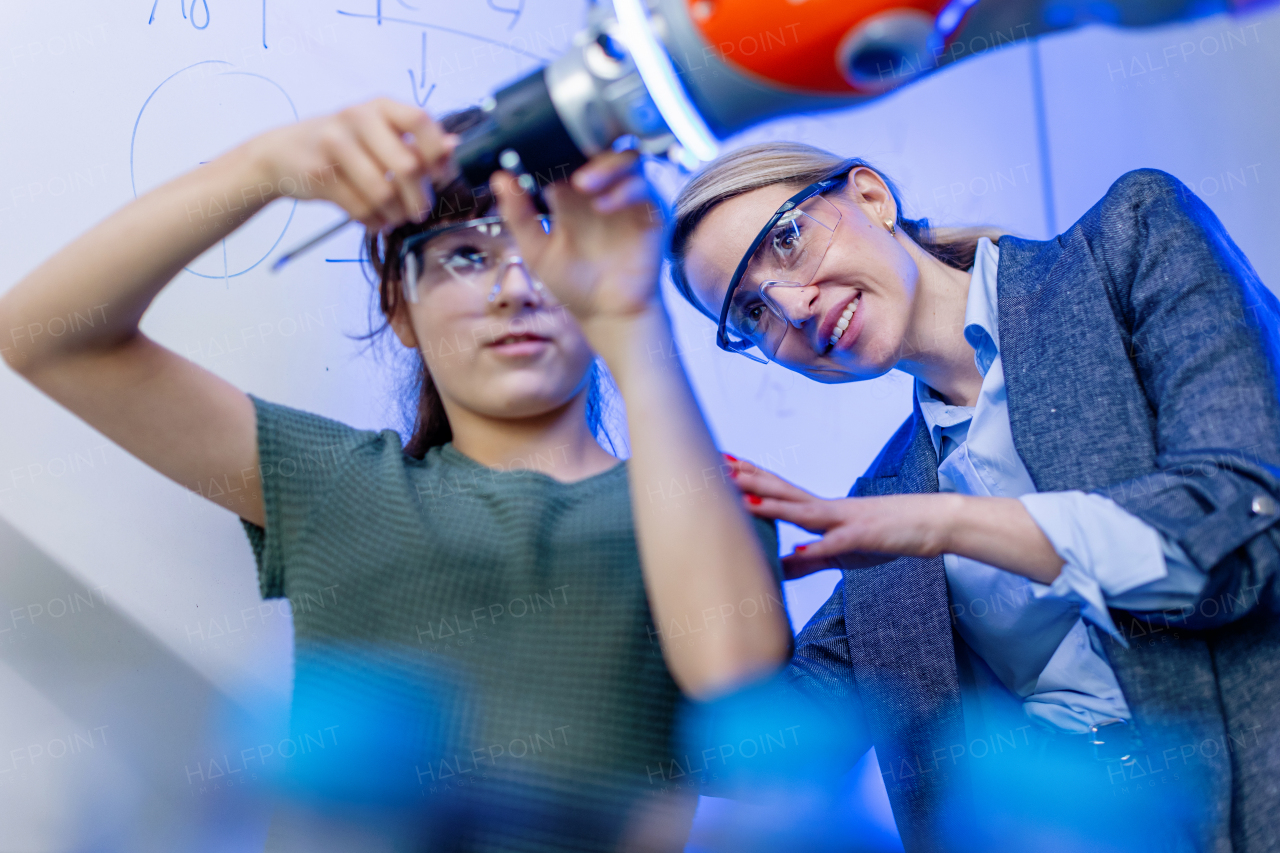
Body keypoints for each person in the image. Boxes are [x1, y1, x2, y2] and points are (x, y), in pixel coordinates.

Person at [0, 100, 792, 851]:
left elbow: (741, 691)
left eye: (549, 248)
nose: (515, 287)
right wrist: (264, 167)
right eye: (465, 257)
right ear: (400, 307)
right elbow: (46, 336)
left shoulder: (701, 506)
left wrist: (633, 316)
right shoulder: (336, 484)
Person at [666, 142, 1280, 852]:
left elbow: (1250, 515)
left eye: (788, 239)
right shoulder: (882, 502)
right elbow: (746, 750)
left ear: (871, 197)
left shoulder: (1127, 242)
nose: (792, 307)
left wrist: (951, 522)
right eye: (749, 313)